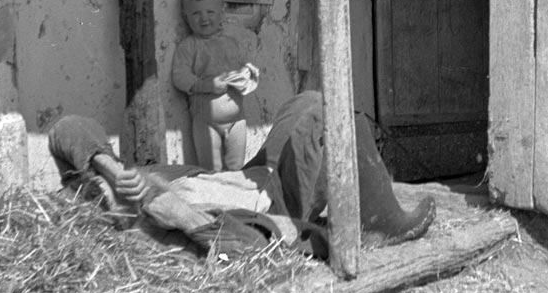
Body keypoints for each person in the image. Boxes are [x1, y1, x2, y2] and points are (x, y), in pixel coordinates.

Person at [48, 91, 436, 259]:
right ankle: (384, 224)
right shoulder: (155, 227)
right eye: (107, 201)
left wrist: (109, 167)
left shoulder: (105, 180)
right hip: (276, 197)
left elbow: (67, 127)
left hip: (253, 173)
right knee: (324, 112)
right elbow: (240, 243)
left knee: (301, 101)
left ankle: (371, 208)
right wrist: (173, 211)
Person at [171, 0, 259, 171]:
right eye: (196, 13)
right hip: (206, 123)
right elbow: (180, 77)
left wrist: (247, 76)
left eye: (210, 12)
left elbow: (244, 68)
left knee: (236, 169)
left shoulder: (231, 43)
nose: (204, 18)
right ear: (186, 17)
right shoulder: (189, 46)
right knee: (212, 171)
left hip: (237, 120)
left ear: (222, 11)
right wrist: (208, 86)